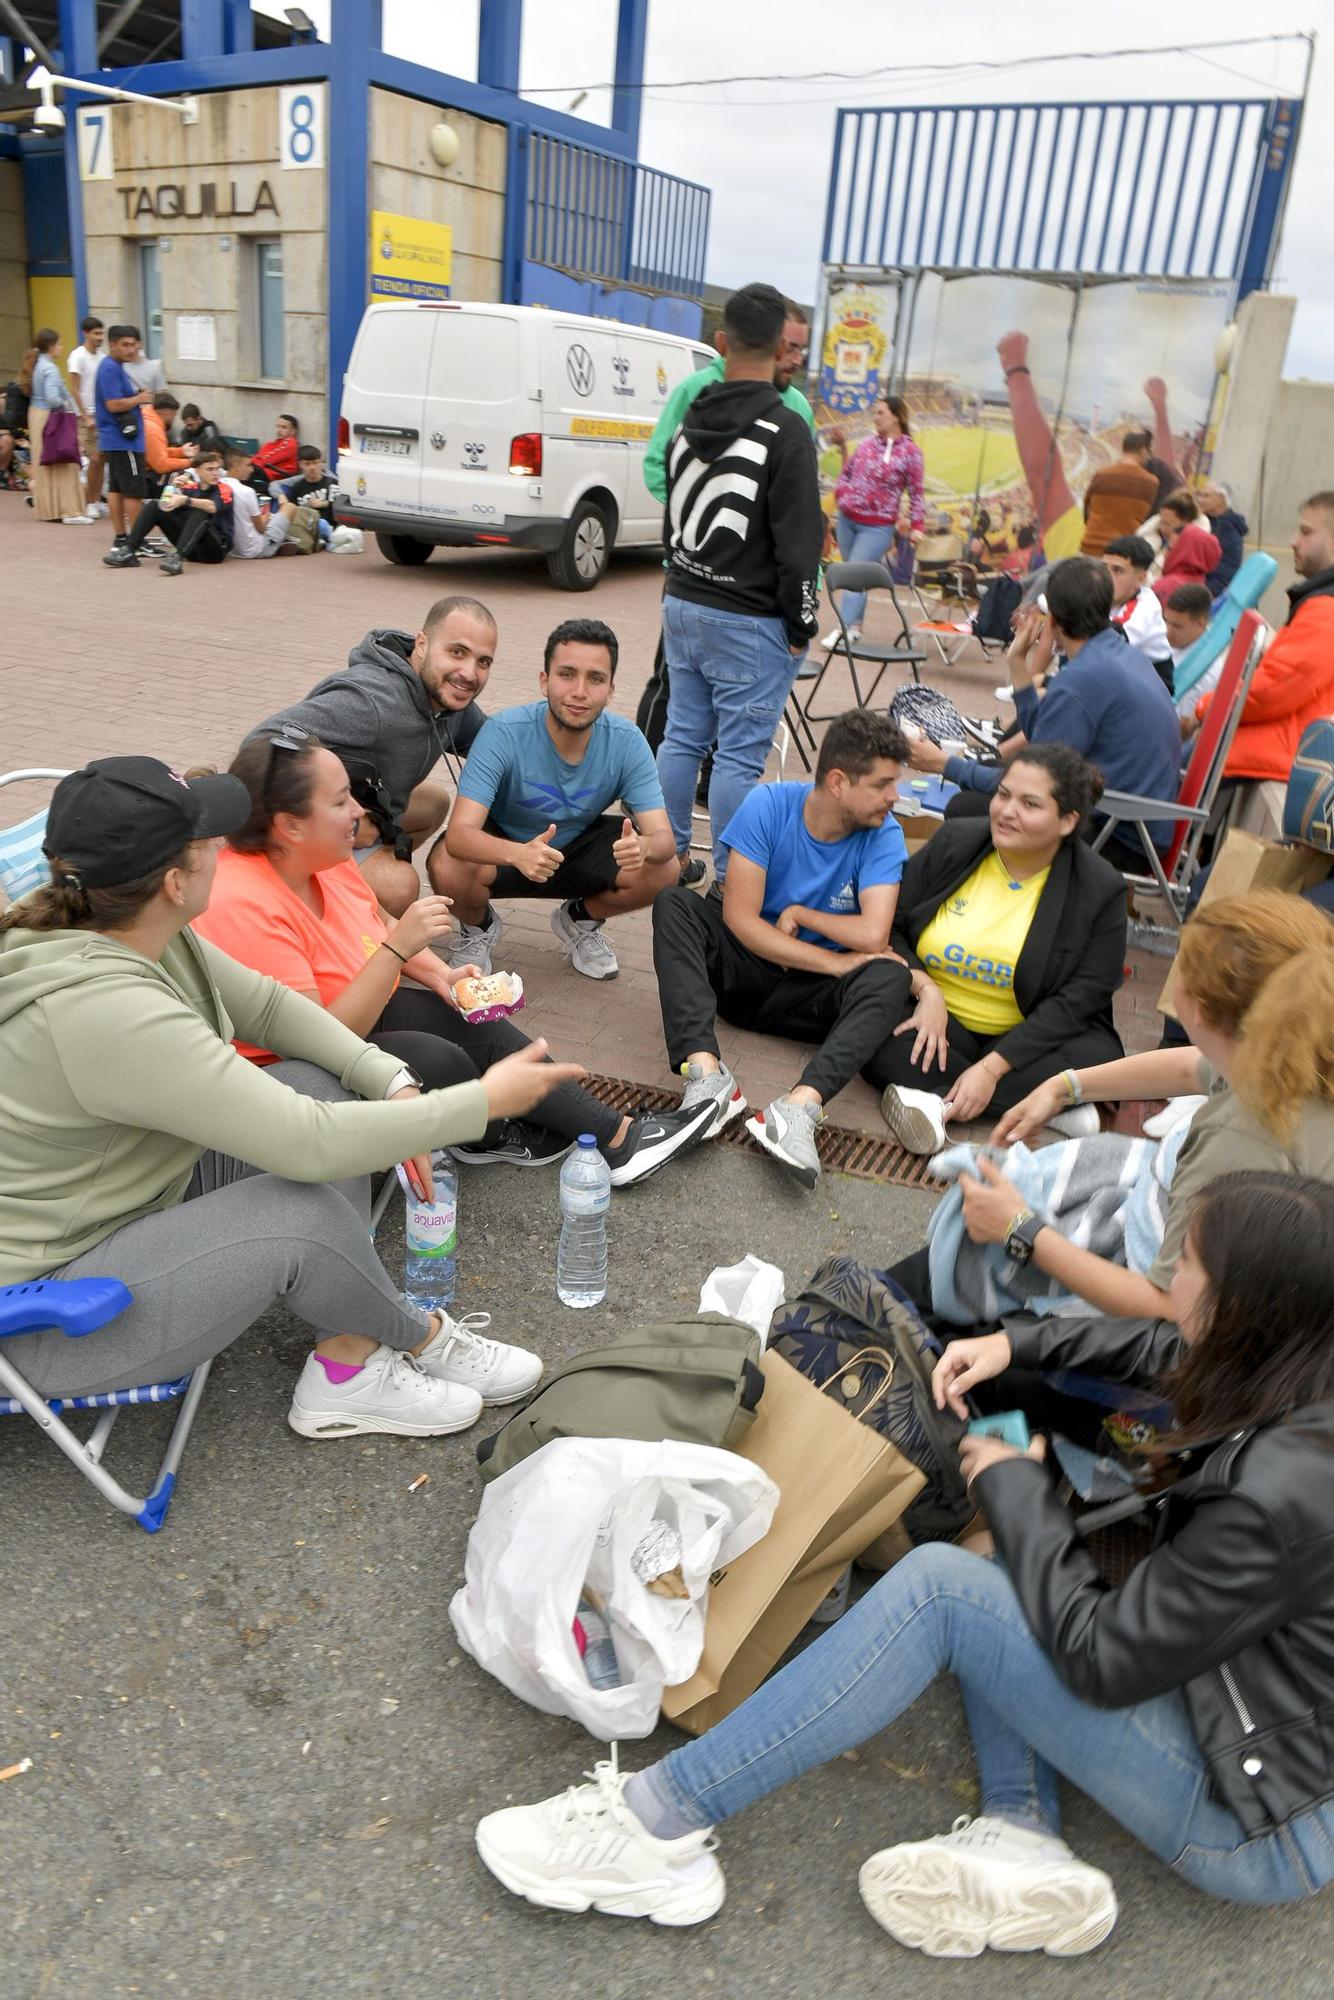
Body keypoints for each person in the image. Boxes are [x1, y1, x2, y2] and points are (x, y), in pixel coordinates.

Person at [476, 1171, 1334, 1951]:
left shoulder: (1278, 1495)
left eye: (1185, 1264)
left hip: (1258, 1821)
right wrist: (1013, 1346)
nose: (1165, 1275)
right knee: (1001, 1573)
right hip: (1258, 1722)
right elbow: (1168, 1353)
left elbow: (1102, 1657)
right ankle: (1022, 1832)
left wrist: (1019, 1489)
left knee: (942, 1591)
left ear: (1243, 1309)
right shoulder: (1305, 1363)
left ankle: (651, 1831)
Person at [0, 756, 578, 1435]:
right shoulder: (104, 1011)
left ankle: (348, 1364)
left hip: (129, 1204)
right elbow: (308, 1144)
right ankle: (419, 1336)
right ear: (173, 880)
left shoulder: (137, 932)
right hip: (49, 1314)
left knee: (323, 1081)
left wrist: (389, 1081)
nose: (226, 844)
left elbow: (270, 1009)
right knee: (295, 1209)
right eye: (206, 837)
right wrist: (481, 1102)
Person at [194, 734, 715, 1186]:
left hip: (354, 1011)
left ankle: (618, 1138)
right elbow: (316, 1037)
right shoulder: (242, 901)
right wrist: (401, 948)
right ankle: (487, 1133)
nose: (359, 810)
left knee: (476, 1026)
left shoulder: (319, 856)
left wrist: (443, 976)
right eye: (339, 802)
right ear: (289, 826)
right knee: (445, 1063)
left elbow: (372, 928)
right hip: (292, 1068)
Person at [944, 889, 1334, 1324]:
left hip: (1154, 1307)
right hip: (1184, 1239)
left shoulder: (1237, 1138)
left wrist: (1019, 1229)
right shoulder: (1294, 1057)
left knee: (948, 1270)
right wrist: (1065, 1087)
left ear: (1198, 1010)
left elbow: (1173, 1310)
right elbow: (1193, 1068)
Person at [653, 710, 912, 1189]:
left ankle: (798, 1109)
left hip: (814, 1000)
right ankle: (707, 1078)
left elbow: (874, 934)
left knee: (889, 975)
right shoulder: (769, 805)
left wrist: (804, 915)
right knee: (675, 904)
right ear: (838, 782)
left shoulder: (885, 832)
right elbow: (740, 920)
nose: (894, 797)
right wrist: (836, 959)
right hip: (748, 977)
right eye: (882, 785)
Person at [870, 744, 1125, 1154]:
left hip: (1028, 1036)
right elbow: (891, 928)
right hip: (938, 1022)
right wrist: (925, 991)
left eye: (1029, 804)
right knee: (873, 1020)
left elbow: (1082, 998)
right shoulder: (956, 840)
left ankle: (938, 1101)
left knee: (1098, 1058)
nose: (1006, 811)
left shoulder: (1100, 889)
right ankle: (1047, 1104)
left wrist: (993, 1067)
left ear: (1066, 821)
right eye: (1003, 795)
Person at [656, 282, 824, 882]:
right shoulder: (785, 429)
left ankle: (669, 856)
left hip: (684, 599)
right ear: (782, 345)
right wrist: (802, 623)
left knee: (681, 738)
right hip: (749, 617)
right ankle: (731, 877)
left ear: (723, 342)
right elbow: (800, 544)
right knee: (737, 758)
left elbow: (671, 514)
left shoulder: (689, 420)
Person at [436, 618, 676, 981]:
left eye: (595, 678)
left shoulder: (627, 741)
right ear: (544, 680)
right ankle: (478, 927)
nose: (580, 691)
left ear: (610, 690)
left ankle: (579, 919)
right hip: (508, 847)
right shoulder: (503, 732)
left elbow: (665, 841)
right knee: (447, 864)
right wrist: (519, 853)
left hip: (576, 845)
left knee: (666, 870)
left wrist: (644, 847)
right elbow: (459, 834)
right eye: (567, 674)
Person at [910, 556, 1183, 858]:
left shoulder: (1081, 681)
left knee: (966, 807)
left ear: (1052, 621)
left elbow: (1032, 778)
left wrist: (942, 764)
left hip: (1120, 835)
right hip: (1134, 822)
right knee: (986, 776)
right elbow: (1041, 740)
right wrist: (1017, 662)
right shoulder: (1117, 654)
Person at [250, 596, 492, 918]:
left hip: (363, 805)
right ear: (422, 644)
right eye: (457, 652)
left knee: (433, 802)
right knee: (401, 886)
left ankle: (351, 892)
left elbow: (494, 744)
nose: (469, 673)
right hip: (303, 829)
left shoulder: (447, 700)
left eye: (483, 661)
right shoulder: (371, 702)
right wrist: (344, 821)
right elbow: (262, 744)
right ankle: (322, 905)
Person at [1190, 492, 1334, 837]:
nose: (1293, 541)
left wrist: (1207, 706)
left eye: (1305, 531)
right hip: (1282, 760)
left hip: (1277, 766)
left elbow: (1271, 690)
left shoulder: (1325, 609)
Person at [821, 395, 926, 645]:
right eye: (875, 413)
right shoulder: (866, 444)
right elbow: (847, 473)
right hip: (847, 520)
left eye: (880, 413)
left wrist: (917, 526)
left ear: (896, 417)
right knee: (854, 574)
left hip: (877, 526)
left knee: (855, 572)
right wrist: (842, 493)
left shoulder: (911, 453)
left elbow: (917, 492)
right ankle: (856, 627)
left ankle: (843, 630)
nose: (875, 418)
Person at [101, 448, 234, 574]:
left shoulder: (224, 489)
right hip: (191, 550)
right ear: (198, 471)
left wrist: (185, 500)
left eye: (217, 469)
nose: (215, 473)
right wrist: (173, 487)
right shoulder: (190, 488)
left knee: (201, 511)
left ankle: (177, 558)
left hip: (214, 551)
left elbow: (213, 507)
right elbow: (165, 506)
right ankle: (128, 550)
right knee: (155, 505)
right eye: (210, 469)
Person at [94, 323, 153, 546]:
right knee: (133, 492)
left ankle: (121, 538)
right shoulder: (110, 367)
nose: (131, 350)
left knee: (117, 489)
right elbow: (113, 404)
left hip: (115, 439)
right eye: (125, 345)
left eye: (134, 345)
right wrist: (140, 399)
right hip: (124, 439)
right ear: (112, 345)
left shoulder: (114, 366)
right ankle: (137, 541)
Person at [26, 329, 90, 525]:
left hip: (37, 416)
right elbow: (53, 398)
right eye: (60, 344)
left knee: (46, 465)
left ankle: (50, 509)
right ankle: (69, 510)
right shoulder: (51, 369)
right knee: (64, 462)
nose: (62, 347)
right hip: (52, 417)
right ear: (51, 346)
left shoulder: (38, 365)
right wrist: (68, 406)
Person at [1078, 430, 1158, 557]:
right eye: (1149, 453)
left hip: (1090, 547)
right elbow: (1147, 521)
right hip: (1123, 554)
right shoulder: (1151, 482)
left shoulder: (1101, 474)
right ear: (1143, 451)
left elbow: (1086, 513)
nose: (1149, 457)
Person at [1102, 533, 1169, 678]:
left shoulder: (1146, 606)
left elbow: (1113, 639)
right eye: (1104, 567)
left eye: (1117, 570)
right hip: (1119, 674)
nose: (1106, 576)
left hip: (1152, 686)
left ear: (1140, 578)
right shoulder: (1107, 594)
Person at [65, 314, 106, 519]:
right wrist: (84, 415)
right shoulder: (78, 356)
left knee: (102, 460)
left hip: (102, 414)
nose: (100, 337)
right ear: (86, 333)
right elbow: (74, 388)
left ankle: (96, 499)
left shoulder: (102, 357)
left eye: (101, 333)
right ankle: (90, 501)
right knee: (95, 459)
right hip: (86, 415)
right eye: (96, 333)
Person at [1151, 490, 1221, 608]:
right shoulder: (1198, 585)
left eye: (1169, 524)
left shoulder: (1169, 586)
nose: (1163, 528)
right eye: (1161, 523)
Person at [1163, 584, 1215, 730]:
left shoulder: (1205, 672)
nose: (1167, 631)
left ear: (1201, 623)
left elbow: (1181, 729)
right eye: (1166, 621)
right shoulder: (1175, 641)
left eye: (1177, 626)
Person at [225, 446, 290, 560]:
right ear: (235, 467)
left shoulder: (217, 486)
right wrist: (265, 518)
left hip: (230, 550)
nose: (252, 470)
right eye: (248, 465)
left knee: (274, 518)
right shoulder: (246, 491)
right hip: (254, 550)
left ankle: (285, 539)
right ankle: (286, 540)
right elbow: (261, 529)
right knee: (289, 507)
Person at [274, 441, 336, 544]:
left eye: (315, 463)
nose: (312, 468)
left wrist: (323, 503)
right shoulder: (297, 487)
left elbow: (339, 506)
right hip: (306, 527)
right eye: (307, 464)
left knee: (322, 524)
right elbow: (293, 510)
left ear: (321, 463)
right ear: (300, 465)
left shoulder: (332, 482)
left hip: (328, 526)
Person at [143, 391, 198, 496]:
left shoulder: (147, 419)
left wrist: (181, 451)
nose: (173, 420)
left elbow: (156, 452)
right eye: (173, 416)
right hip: (144, 478)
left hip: (141, 472)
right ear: (167, 413)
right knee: (183, 478)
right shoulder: (153, 430)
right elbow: (161, 465)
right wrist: (190, 462)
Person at [1199, 482, 1248, 593]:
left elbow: (1225, 573)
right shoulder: (1204, 521)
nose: (1200, 500)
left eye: (1206, 496)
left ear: (1221, 499)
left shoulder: (1229, 530)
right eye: (1200, 495)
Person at [252, 412, 301, 482]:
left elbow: (267, 460)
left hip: (274, 476)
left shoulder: (291, 442)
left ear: (293, 431)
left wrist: (250, 462)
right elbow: (259, 459)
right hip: (262, 472)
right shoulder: (270, 445)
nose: (279, 430)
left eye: (284, 427)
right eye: (278, 426)